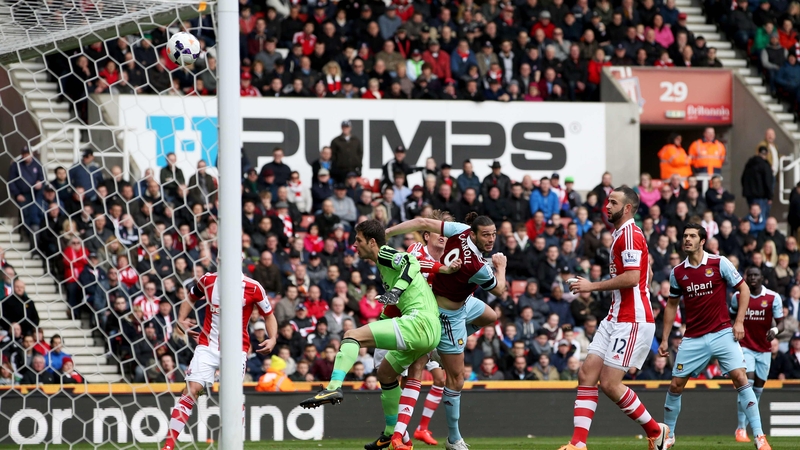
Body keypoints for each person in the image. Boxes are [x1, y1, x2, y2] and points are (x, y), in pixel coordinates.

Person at [299, 219, 441, 450]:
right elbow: (394, 305)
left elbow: (411, 262)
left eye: (358, 240)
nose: (354, 245)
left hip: (419, 322)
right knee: (385, 374)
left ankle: (334, 386)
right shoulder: (383, 269)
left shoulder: (384, 253)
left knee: (351, 335)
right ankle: (389, 434)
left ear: (372, 242)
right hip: (427, 330)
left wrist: (396, 291)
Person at [385, 212, 507, 450]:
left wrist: (388, 232)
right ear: (473, 233)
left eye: (493, 234)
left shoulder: (459, 230)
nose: (491, 239)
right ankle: (453, 438)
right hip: (448, 316)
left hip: (462, 303)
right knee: (456, 379)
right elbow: (499, 290)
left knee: (491, 316)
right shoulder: (477, 265)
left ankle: (442, 349)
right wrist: (500, 266)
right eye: (486, 235)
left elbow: (421, 222)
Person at [561, 187, 668, 450]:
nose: (607, 206)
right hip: (615, 316)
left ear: (628, 208)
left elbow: (633, 278)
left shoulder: (629, 234)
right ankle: (578, 444)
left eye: (613, 202)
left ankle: (656, 431)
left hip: (631, 319)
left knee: (609, 383)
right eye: (608, 201)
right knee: (587, 374)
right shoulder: (622, 234)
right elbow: (648, 273)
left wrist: (591, 286)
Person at [660, 223, 771, 450]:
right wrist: (664, 338)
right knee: (676, 385)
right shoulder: (677, 272)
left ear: (702, 241)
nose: (687, 239)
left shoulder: (719, 263)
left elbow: (744, 290)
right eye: (685, 236)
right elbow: (672, 305)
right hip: (693, 337)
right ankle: (668, 435)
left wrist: (738, 321)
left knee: (741, 378)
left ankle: (759, 437)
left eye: (692, 236)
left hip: (722, 333)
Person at [160, 271, 278, 450]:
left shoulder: (253, 287)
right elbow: (191, 297)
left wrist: (273, 337)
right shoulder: (208, 280)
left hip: (236, 349)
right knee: (191, 391)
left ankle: (235, 444)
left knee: (233, 397)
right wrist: (181, 320)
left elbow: (268, 315)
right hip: (207, 346)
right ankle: (168, 447)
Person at [373, 209, 462, 447]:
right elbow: (416, 265)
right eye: (436, 231)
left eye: (445, 232)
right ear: (426, 235)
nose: (442, 236)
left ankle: (400, 434)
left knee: (419, 370)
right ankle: (401, 432)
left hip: (423, 324)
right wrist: (443, 270)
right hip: (396, 319)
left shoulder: (452, 260)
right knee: (386, 376)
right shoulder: (415, 250)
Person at [730, 267, 784, 443]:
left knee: (758, 390)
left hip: (764, 349)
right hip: (744, 346)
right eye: (749, 275)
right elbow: (730, 317)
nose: (752, 278)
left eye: (756, 275)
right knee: (748, 383)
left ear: (762, 278)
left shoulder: (772, 298)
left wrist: (775, 330)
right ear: (745, 278)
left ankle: (745, 426)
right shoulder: (738, 296)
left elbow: (781, 323)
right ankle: (740, 428)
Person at [741, 146, 775, 219]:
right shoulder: (765, 165)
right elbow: (768, 182)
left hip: (749, 195)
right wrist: (770, 197)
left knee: (752, 216)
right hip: (761, 196)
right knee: (761, 217)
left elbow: (743, 179)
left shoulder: (749, 164)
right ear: (767, 154)